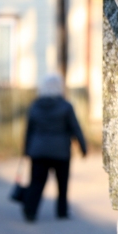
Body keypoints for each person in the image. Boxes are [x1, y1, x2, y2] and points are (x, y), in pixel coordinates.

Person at [21, 74, 87, 222]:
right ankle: (62, 211)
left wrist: (26, 150)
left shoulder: (35, 106)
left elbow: (29, 130)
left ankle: (30, 211)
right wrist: (83, 147)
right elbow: (75, 128)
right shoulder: (66, 106)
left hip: (38, 150)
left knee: (36, 182)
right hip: (60, 151)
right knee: (62, 183)